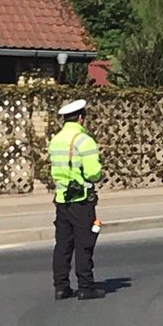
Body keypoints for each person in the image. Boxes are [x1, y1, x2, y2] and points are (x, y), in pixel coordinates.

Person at [49, 99, 104, 300]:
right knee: (85, 242)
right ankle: (86, 287)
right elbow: (93, 172)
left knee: (63, 244)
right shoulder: (84, 140)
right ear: (81, 118)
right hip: (81, 199)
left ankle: (61, 287)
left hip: (62, 198)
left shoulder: (55, 140)